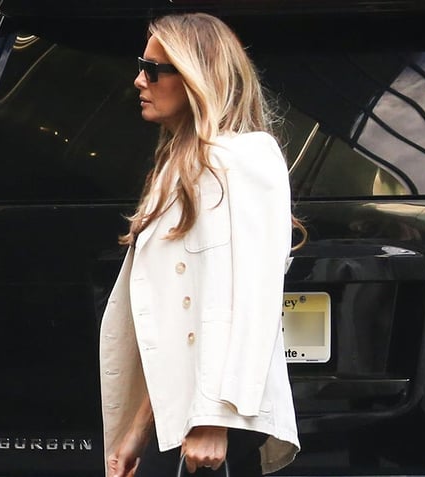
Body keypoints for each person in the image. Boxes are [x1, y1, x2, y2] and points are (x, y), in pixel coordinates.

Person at [99, 13, 300, 477]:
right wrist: (138, 430)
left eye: (153, 69)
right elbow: (174, 329)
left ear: (195, 77)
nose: (138, 80)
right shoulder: (176, 168)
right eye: (141, 65)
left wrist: (214, 419)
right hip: (181, 420)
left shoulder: (245, 158)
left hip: (216, 422)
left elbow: (250, 302)